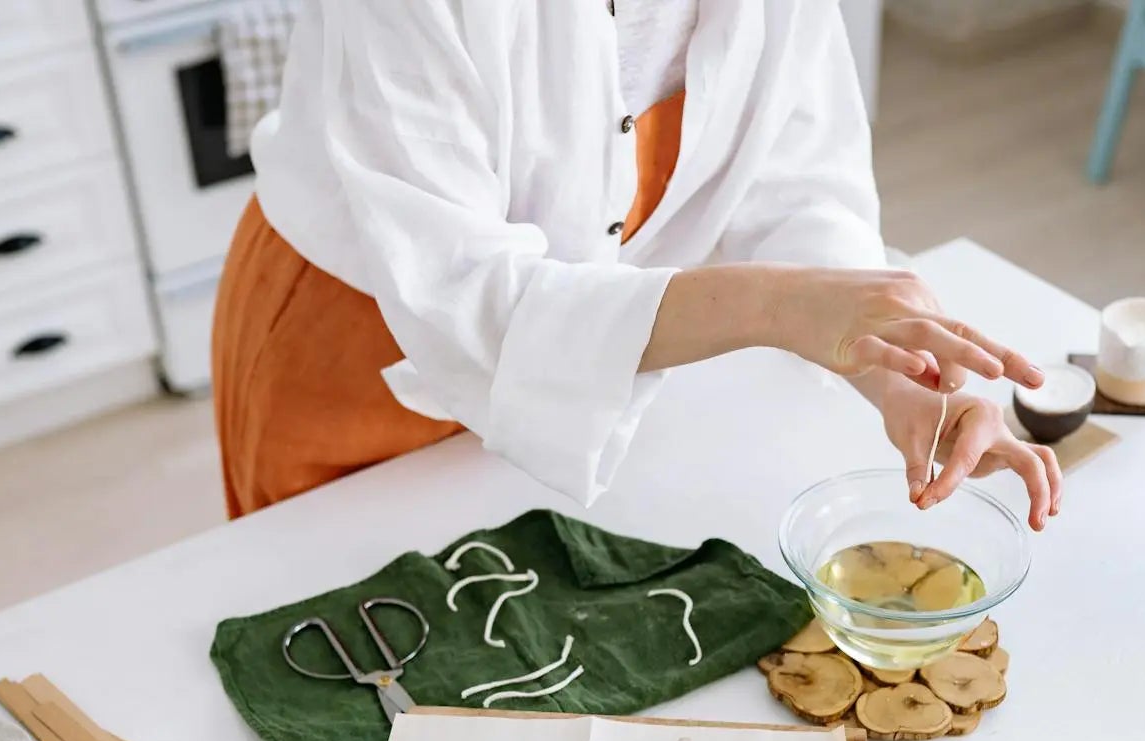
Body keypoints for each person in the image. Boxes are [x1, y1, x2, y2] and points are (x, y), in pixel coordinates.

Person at [213, 0, 1062, 529]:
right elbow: (464, 293)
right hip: (355, 344)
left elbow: (799, 185)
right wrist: (778, 308)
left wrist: (898, 374)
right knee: (346, 692)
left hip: (597, 366)